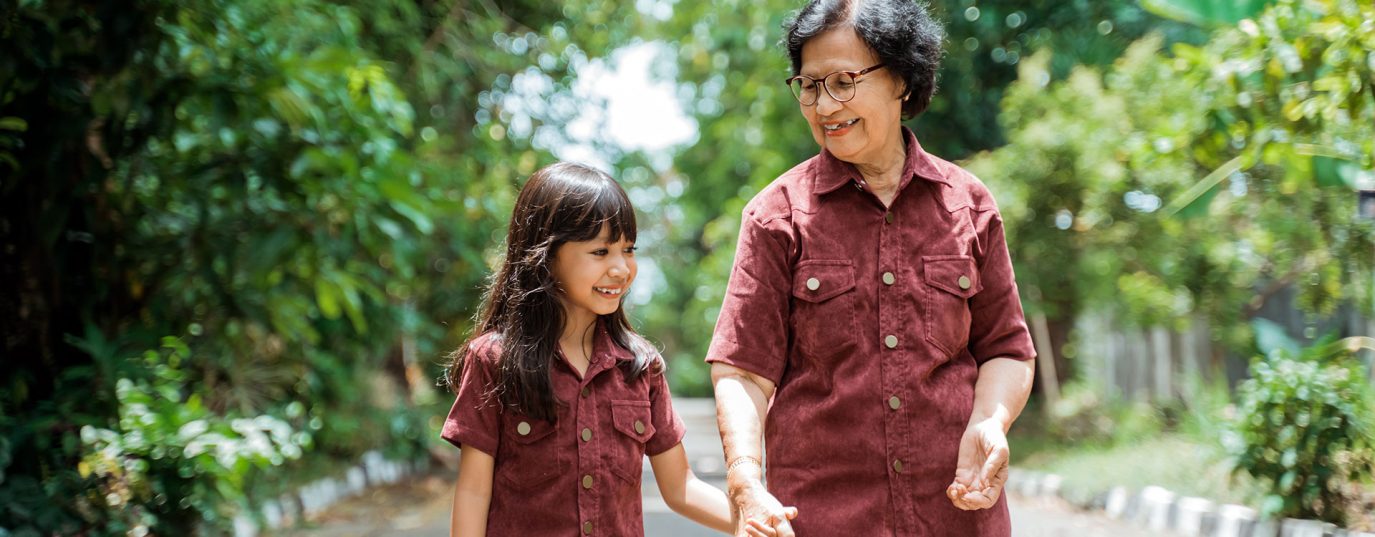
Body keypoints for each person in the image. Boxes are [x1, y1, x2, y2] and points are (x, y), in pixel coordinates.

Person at [706, 0, 1038, 535]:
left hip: (956, 515)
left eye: (842, 80)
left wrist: (990, 421)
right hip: (819, 518)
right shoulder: (775, 217)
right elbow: (743, 372)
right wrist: (746, 480)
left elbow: (1006, 349)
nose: (824, 105)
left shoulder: (969, 206)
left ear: (902, 79)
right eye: (809, 87)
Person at [442, 162, 761, 536]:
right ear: (546, 254)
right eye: (600, 252)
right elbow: (474, 492)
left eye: (628, 250)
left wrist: (758, 521)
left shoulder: (641, 367)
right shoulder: (494, 360)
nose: (621, 268)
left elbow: (681, 489)